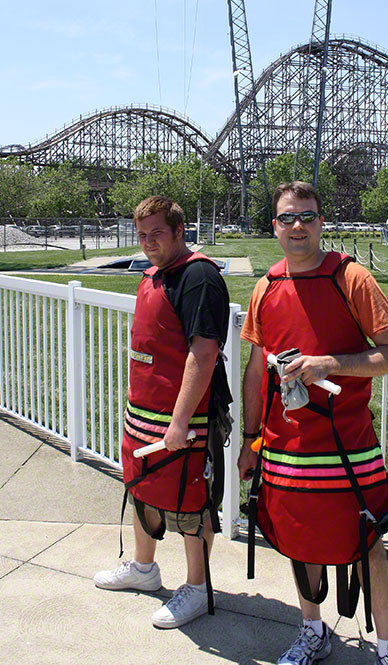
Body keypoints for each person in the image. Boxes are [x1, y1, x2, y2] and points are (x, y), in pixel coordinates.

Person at [238, 181, 388, 665]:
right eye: (288, 217)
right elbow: (256, 372)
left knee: (369, 542)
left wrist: (328, 364)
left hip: (348, 445)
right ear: (274, 225)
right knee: (300, 539)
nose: (298, 226)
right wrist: (250, 441)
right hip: (286, 448)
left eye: (308, 217)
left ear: (321, 222)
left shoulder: (351, 279)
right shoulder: (266, 285)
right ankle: (312, 631)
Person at [94, 195, 231, 629]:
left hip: (183, 421)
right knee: (141, 489)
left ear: (179, 231)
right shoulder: (154, 275)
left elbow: (204, 353)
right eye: (142, 234)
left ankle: (195, 586)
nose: (149, 242)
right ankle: (143, 568)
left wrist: (178, 421)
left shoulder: (199, 277)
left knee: (192, 503)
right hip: (143, 415)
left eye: (157, 233)